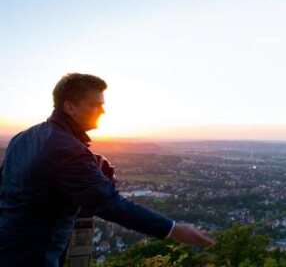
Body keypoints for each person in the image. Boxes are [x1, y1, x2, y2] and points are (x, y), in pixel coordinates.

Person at [0, 73, 214, 266]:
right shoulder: (68, 149)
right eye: (95, 104)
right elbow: (108, 203)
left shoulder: (21, 138)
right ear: (69, 107)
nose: (103, 110)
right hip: (32, 255)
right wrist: (173, 229)